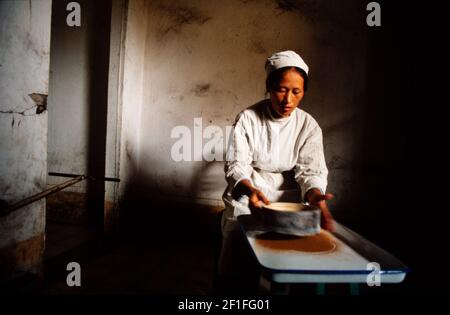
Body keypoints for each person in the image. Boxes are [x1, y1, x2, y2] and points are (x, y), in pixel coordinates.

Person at [217, 50, 334, 293]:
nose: (287, 100)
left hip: (288, 200)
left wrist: (315, 196)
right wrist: (250, 191)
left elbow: (311, 171)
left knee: (283, 271)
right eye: (281, 89)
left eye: (296, 92)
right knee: (236, 268)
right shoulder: (248, 118)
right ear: (269, 87)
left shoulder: (308, 125)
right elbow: (236, 165)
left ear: (303, 92)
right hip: (249, 197)